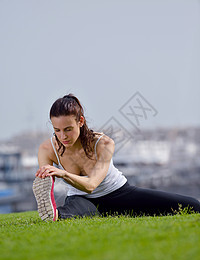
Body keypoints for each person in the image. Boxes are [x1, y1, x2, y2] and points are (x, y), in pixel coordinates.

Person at [32, 94, 200, 221]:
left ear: (80, 121)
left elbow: (91, 185)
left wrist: (63, 173)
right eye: (57, 130)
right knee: (68, 212)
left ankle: (68, 212)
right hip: (81, 198)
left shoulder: (104, 143)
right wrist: (45, 177)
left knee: (192, 205)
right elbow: (49, 183)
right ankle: (55, 214)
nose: (63, 136)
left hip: (118, 194)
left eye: (68, 129)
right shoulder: (47, 149)